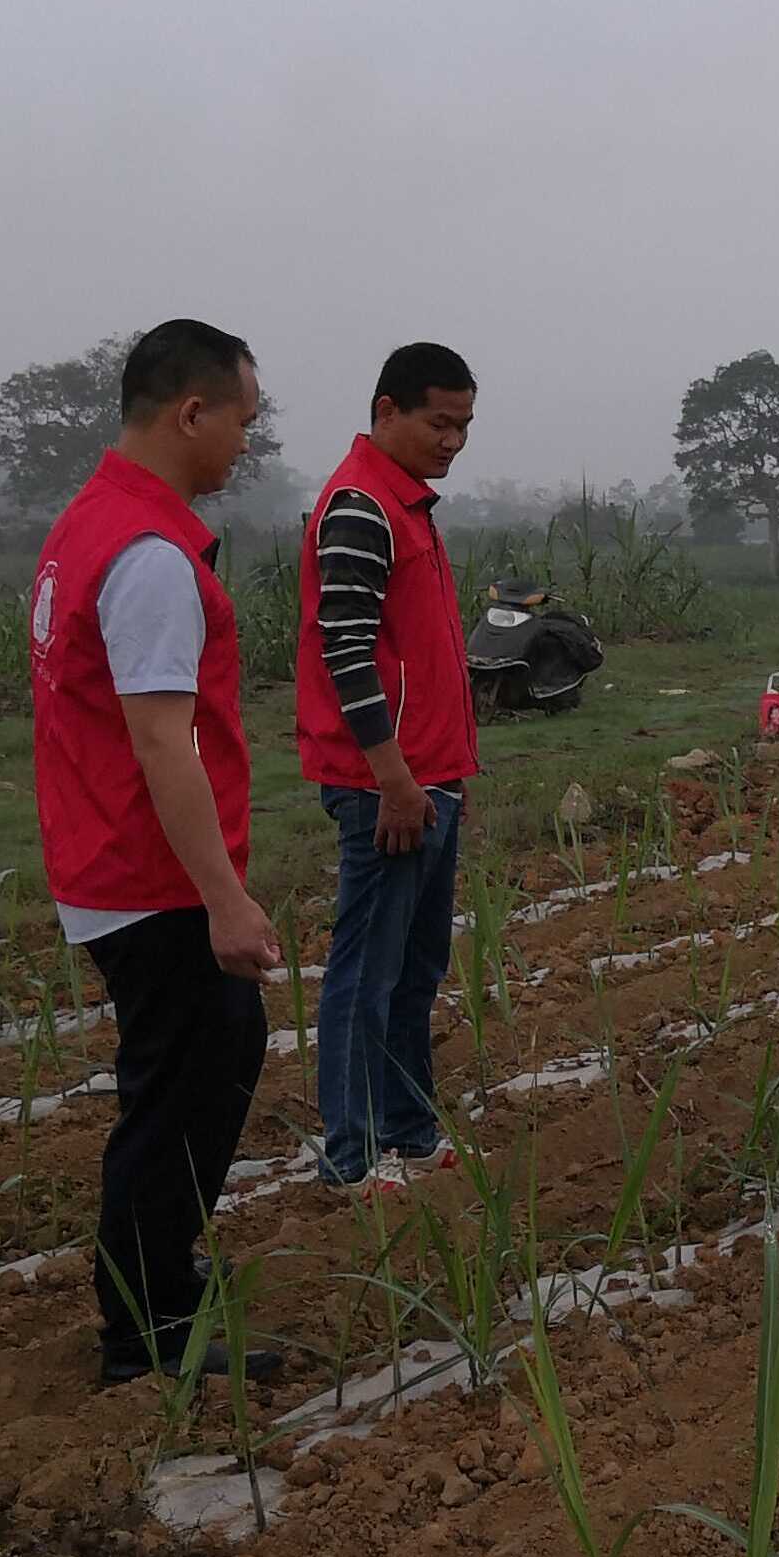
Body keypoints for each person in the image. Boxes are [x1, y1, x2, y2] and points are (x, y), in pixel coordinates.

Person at [29, 319, 282, 1385]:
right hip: (152, 878)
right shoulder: (148, 555)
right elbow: (159, 739)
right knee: (189, 1082)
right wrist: (225, 898)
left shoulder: (90, 521)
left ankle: (152, 1288)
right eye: (243, 422)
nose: (245, 447)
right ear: (191, 413)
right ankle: (148, 1328)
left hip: (110, 863)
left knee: (190, 1069)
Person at [295, 343, 480, 1191]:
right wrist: (392, 779)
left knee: (414, 971)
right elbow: (345, 648)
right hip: (389, 787)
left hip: (433, 778)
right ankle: (351, 1155)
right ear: (386, 411)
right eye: (438, 422)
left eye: (464, 426)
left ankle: (407, 1130)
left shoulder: (409, 506)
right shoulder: (362, 506)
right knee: (366, 974)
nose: (453, 440)